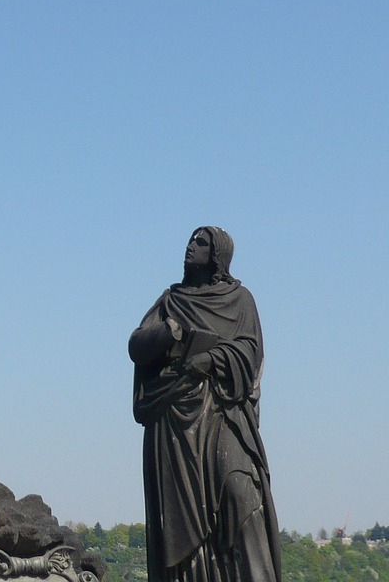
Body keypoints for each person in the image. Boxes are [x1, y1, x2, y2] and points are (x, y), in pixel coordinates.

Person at [128, 227, 281, 582]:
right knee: (182, 518)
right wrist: (169, 332)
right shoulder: (172, 300)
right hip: (175, 422)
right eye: (191, 240)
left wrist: (211, 359)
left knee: (240, 491)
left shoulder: (240, 299)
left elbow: (250, 351)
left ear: (217, 254)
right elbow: (137, 346)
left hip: (223, 414)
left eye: (201, 242)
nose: (190, 246)